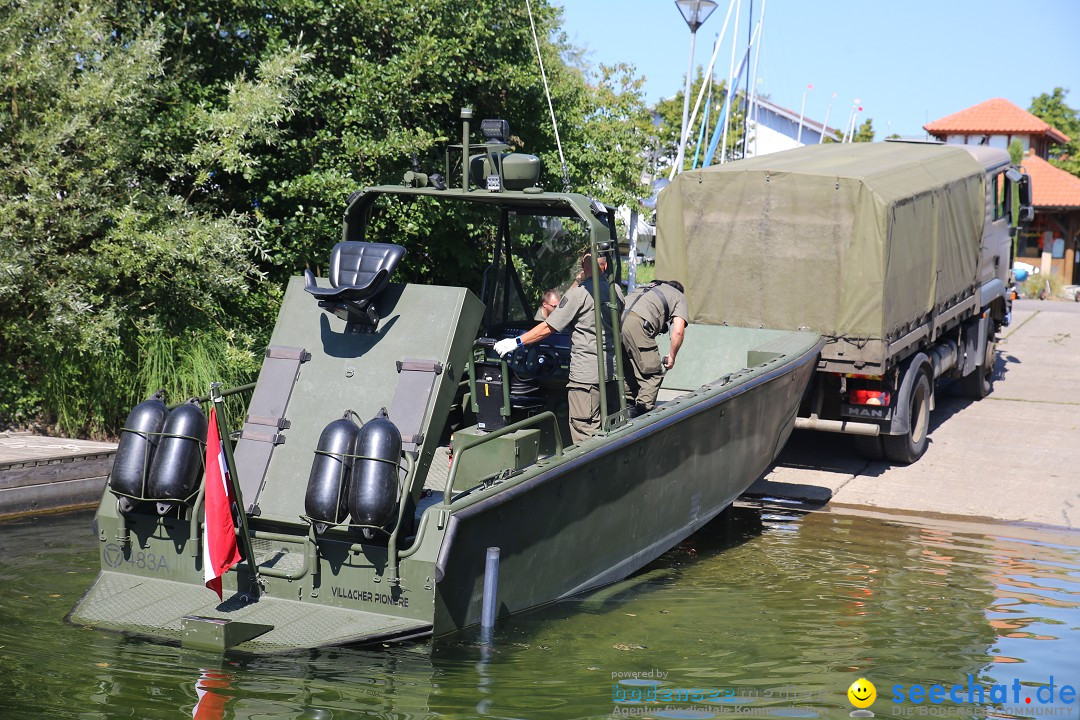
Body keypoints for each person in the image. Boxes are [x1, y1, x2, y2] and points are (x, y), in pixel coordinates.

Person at [495, 253, 618, 444]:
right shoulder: (616, 291)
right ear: (605, 267)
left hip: (585, 377)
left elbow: (548, 326)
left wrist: (516, 342)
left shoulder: (581, 293)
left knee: (584, 431)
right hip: (610, 372)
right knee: (607, 427)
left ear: (585, 267)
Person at [621, 279, 689, 417]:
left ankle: (627, 410)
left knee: (628, 368)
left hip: (616, 321)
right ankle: (643, 414)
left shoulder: (646, 287)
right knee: (652, 374)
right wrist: (672, 356)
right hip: (638, 324)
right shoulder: (678, 296)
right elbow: (678, 331)